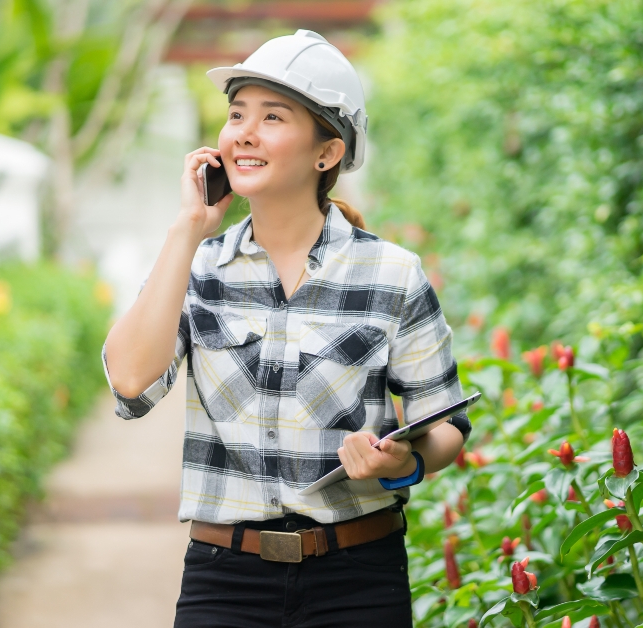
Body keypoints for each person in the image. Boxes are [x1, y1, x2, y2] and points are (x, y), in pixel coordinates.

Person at [100, 29, 471, 627]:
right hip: (225, 580)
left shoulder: (392, 274)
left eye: (273, 117)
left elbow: (448, 426)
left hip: (359, 577)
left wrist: (395, 464)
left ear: (327, 153)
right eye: (237, 113)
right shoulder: (196, 266)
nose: (244, 131)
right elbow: (130, 384)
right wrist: (187, 226)